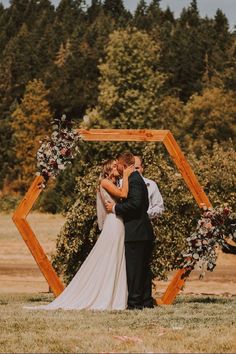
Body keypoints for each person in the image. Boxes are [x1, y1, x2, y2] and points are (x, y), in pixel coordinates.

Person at [24, 159, 133, 311]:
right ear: (107, 169)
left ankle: (116, 296)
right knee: (110, 257)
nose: (118, 168)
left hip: (118, 222)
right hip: (113, 223)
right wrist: (127, 175)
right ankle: (105, 295)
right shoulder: (105, 182)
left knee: (116, 257)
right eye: (114, 166)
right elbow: (124, 194)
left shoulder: (114, 183)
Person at [105, 152, 155, 310]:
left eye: (118, 164)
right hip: (142, 232)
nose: (117, 167)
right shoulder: (135, 179)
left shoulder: (133, 180)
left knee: (135, 270)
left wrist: (114, 208)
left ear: (124, 165)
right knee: (143, 270)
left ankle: (135, 304)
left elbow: (134, 205)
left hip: (136, 232)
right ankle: (146, 301)